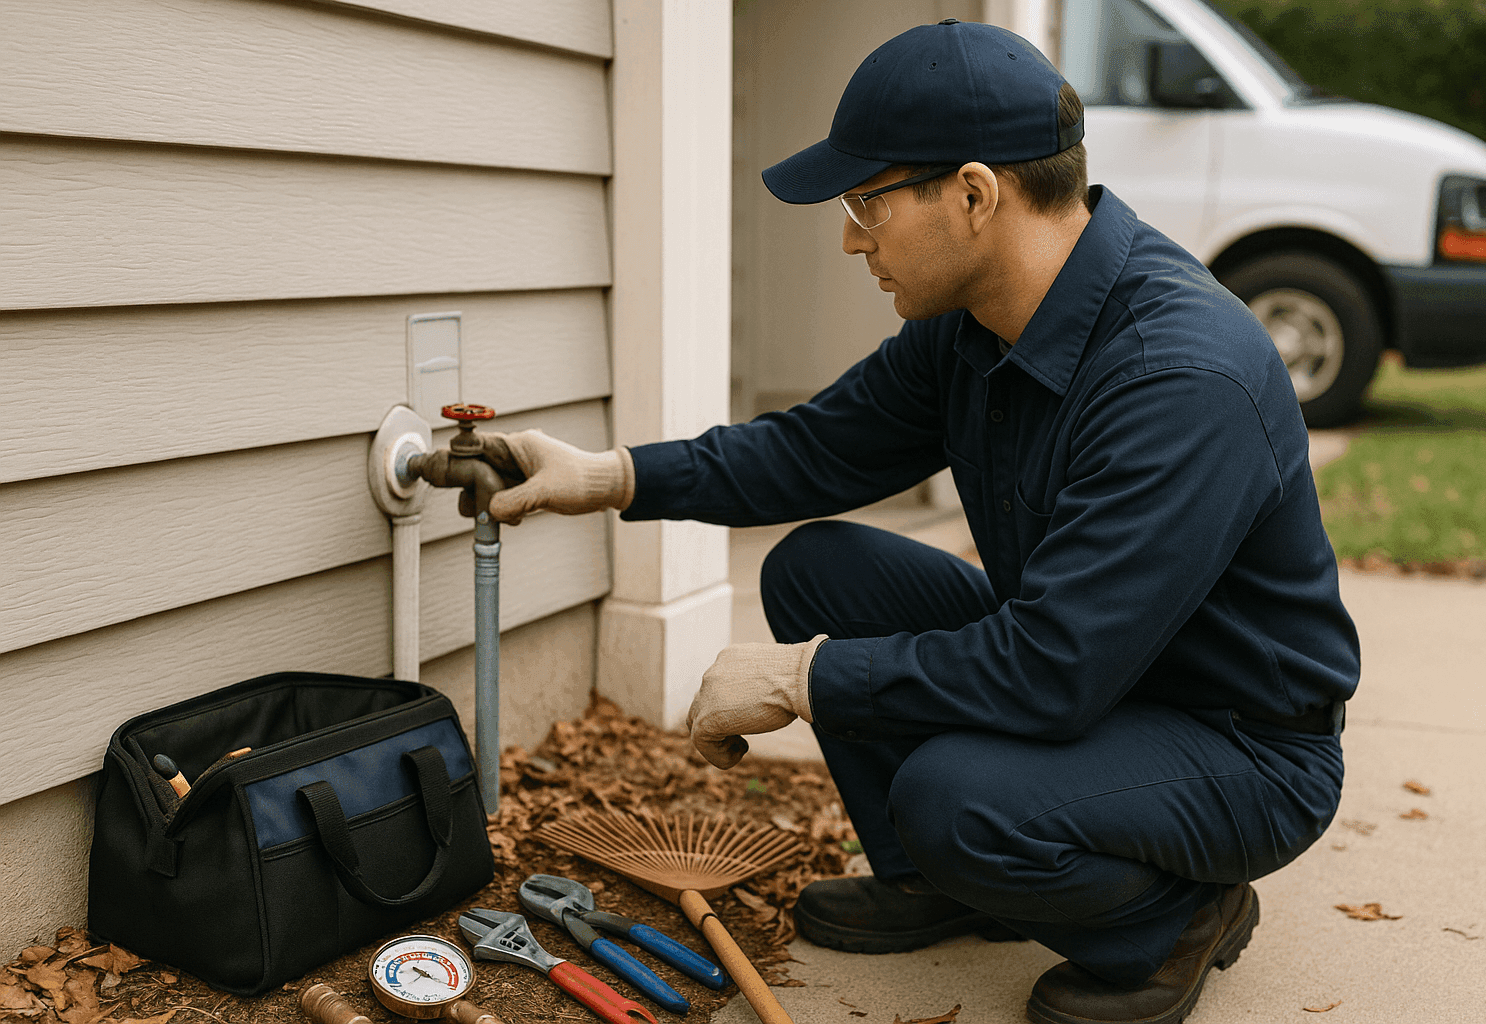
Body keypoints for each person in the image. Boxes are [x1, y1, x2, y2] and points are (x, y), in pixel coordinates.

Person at [481, 19, 1360, 1024]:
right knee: (816, 574)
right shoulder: (972, 326)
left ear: (975, 194)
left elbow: (1055, 667)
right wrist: (603, 476)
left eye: (867, 202)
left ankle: (1170, 921)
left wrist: (797, 677)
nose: (852, 238)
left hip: (1236, 743)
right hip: (1101, 669)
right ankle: (941, 881)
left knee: (954, 794)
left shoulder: (1177, 376)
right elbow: (811, 450)